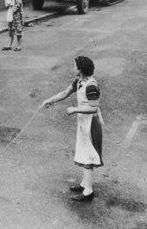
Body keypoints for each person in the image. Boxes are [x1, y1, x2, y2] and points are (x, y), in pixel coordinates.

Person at [38, 56, 104, 202]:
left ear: (80, 69)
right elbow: (65, 93)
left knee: (88, 155)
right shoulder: (79, 81)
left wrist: (75, 109)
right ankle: (85, 183)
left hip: (91, 124)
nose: (72, 67)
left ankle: (88, 192)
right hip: (83, 123)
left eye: (74, 66)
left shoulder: (91, 86)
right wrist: (49, 101)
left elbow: (94, 108)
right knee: (83, 152)